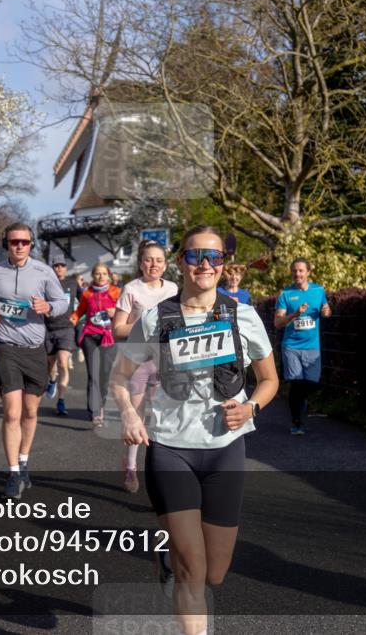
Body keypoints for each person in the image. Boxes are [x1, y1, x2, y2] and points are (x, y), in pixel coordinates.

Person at [111, 225, 278, 635]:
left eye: (214, 257)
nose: (205, 264)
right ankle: (179, 570)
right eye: (195, 256)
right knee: (193, 569)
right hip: (171, 448)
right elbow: (118, 377)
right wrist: (131, 416)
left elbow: (270, 380)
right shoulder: (156, 317)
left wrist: (251, 406)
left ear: (224, 264)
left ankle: (166, 559)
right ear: (181, 261)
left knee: (215, 573)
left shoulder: (242, 315)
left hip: (225, 448)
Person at [0, 223, 69, 499]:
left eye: (25, 242)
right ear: (6, 244)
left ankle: (24, 461)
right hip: (6, 348)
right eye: (14, 242)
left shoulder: (43, 272)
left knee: (29, 412)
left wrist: (48, 307)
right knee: (12, 413)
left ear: (31, 244)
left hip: (35, 349)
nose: (19, 246)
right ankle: (13, 473)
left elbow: (62, 301)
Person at [112, 240, 178, 493]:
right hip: (138, 360)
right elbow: (117, 328)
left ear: (165, 264)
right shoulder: (131, 289)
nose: (154, 264)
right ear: (141, 263)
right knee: (137, 415)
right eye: (149, 259)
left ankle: (166, 470)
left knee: (165, 415)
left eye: (159, 260)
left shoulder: (173, 289)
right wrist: (147, 327)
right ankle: (130, 466)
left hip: (168, 359)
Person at [273, 257, 332, 435]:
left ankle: (300, 401)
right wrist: (294, 314)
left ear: (308, 272)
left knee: (312, 383)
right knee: (296, 383)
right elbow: (277, 322)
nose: (297, 274)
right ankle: (296, 423)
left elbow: (327, 309)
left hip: (312, 346)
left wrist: (326, 312)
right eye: (294, 271)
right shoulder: (286, 294)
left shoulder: (318, 290)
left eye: (300, 270)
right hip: (291, 346)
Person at [71, 263, 121, 427]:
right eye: (97, 274)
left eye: (104, 274)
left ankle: (102, 404)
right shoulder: (87, 293)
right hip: (90, 336)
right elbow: (80, 312)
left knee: (105, 374)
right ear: (93, 276)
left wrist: (116, 312)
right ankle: (95, 410)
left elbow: (126, 312)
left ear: (109, 275)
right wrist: (71, 319)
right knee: (93, 374)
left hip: (108, 336)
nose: (101, 277)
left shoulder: (116, 292)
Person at [45, 261, 80, 416]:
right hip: (48, 328)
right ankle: (52, 380)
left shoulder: (72, 283)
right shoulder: (46, 282)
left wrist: (77, 316)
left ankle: (61, 399)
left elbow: (85, 301)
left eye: (62, 265)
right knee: (50, 364)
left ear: (66, 268)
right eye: (56, 266)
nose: (59, 268)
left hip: (66, 328)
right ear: (52, 268)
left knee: (63, 363)